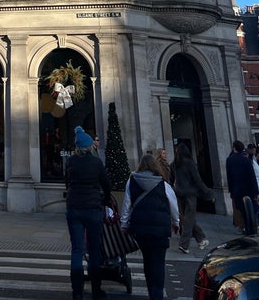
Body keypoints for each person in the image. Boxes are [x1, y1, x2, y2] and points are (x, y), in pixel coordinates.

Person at [120, 153, 179, 300]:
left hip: (141, 230)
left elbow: (127, 204)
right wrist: (176, 222)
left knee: (147, 260)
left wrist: (124, 223)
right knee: (158, 263)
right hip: (160, 229)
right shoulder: (163, 184)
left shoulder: (132, 181)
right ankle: (156, 294)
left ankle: (151, 291)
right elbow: (173, 205)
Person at [65, 125, 111, 300]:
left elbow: (67, 183)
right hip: (92, 207)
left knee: (77, 249)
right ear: (89, 146)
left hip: (74, 207)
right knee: (94, 249)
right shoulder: (96, 162)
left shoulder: (71, 162)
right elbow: (106, 184)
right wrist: (105, 199)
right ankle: (96, 290)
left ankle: (77, 291)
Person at [169, 142, 214, 254]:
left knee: (187, 218)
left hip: (179, 193)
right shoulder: (189, 163)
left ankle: (201, 239)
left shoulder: (174, 164)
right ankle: (184, 244)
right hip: (190, 194)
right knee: (189, 218)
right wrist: (207, 192)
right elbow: (197, 180)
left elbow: (171, 178)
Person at [226, 140, 259, 232]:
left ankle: (246, 227)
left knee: (241, 209)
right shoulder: (247, 160)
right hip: (248, 189)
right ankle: (253, 227)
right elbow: (252, 177)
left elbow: (229, 177)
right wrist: (255, 191)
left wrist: (231, 190)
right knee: (251, 209)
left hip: (237, 189)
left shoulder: (229, 160)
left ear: (234, 148)